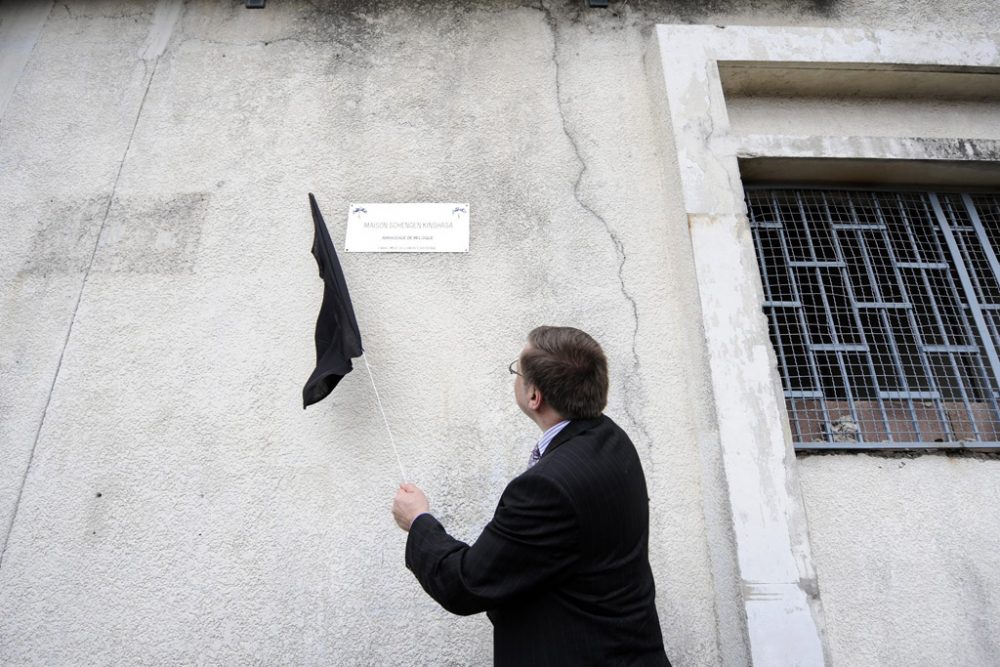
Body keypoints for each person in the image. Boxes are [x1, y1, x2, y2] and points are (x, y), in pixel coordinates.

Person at [392, 326, 671, 666]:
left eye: (517, 371)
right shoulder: (613, 440)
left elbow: (465, 584)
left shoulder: (546, 487)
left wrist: (418, 521)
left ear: (534, 396)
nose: (515, 378)